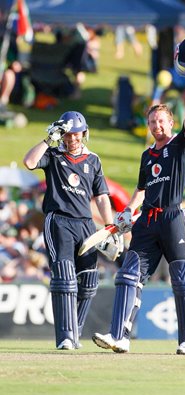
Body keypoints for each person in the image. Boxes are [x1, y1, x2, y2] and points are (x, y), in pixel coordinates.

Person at [92, 36, 185, 355]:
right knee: (128, 275)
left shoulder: (180, 146)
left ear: (171, 122)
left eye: (162, 121)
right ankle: (119, 336)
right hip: (147, 221)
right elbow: (142, 190)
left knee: (182, 279)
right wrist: (127, 212)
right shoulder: (147, 156)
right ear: (149, 125)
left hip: (173, 217)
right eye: (153, 122)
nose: (157, 126)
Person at [23, 111, 115, 350]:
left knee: (89, 281)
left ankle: (75, 332)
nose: (72, 139)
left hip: (86, 224)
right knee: (64, 278)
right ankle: (65, 336)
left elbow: (102, 197)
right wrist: (48, 140)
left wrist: (110, 228)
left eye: (76, 134)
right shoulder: (53, 154)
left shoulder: (93, 160)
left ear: (84, 134)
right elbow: (29, 162)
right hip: (59, 221)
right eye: (68, 134)